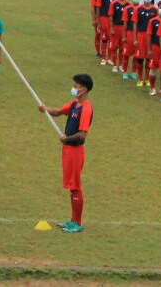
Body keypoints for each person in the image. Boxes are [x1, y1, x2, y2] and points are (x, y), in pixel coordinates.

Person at [39, 74, 94, 233]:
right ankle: (72, 220)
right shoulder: (75, 104)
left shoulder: (86, 108)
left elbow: (83, 134)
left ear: (84, 89)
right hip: (68, 150)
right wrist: (45, 109)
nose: (74, 88)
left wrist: (67, 138)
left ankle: (77, 223)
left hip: (75, 151)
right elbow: (57, 112)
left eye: (76, 86)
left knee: (75, 186)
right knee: (71, 185)